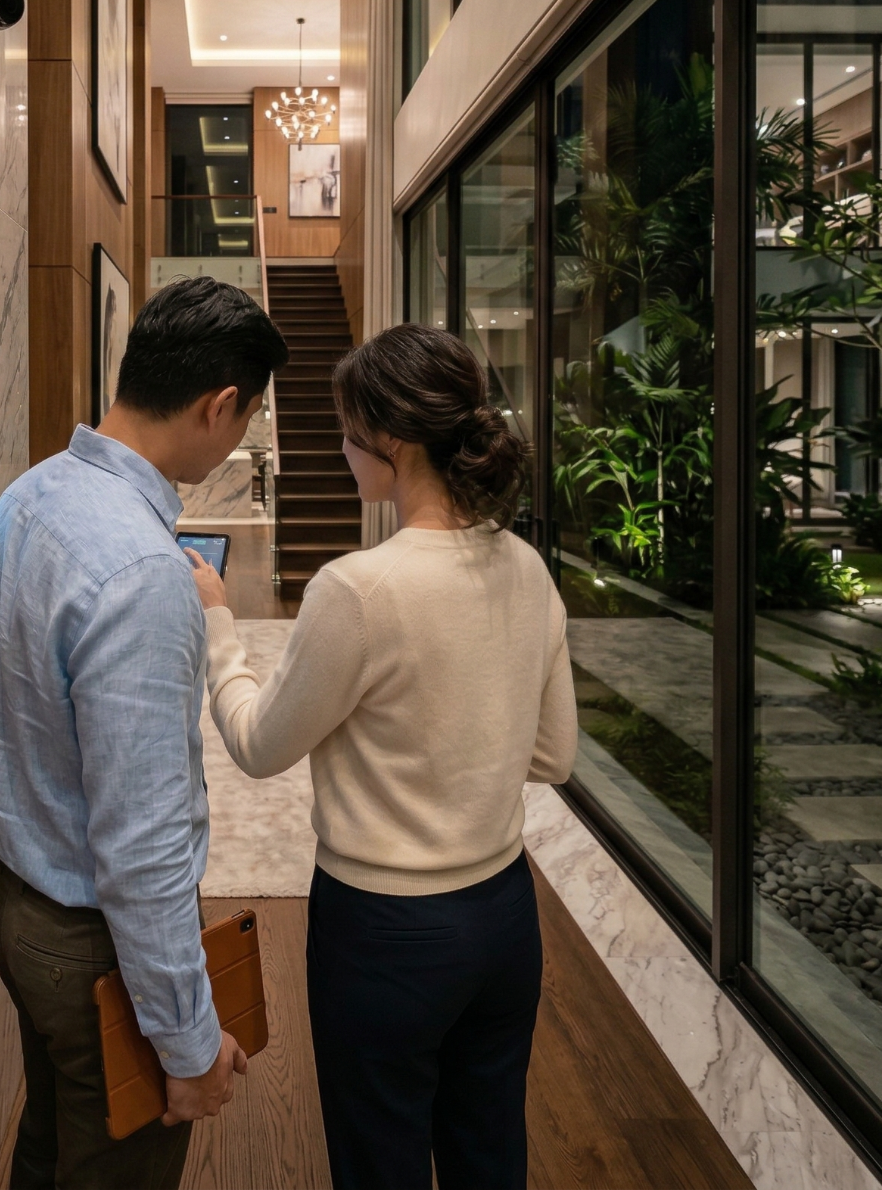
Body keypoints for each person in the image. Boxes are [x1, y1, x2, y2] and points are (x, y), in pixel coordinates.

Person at [190, 323, 577, 1190]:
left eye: (346, 427)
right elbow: (552, 755)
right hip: (506, 918)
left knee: (381, 1161)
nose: (340, 447)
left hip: (386, 934)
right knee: (490, 1152)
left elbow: (257, 746)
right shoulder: (526, 567)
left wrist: (218, 622)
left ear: (390, 441)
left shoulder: (358, 589)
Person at [0, 274, 290, 1190]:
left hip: (17, 898)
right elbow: (142, 848)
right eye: (246, 418)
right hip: (92, 940)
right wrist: (190, 1047)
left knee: (51, 1144)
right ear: (219, 405)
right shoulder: (144, 573)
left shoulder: (29, 496)